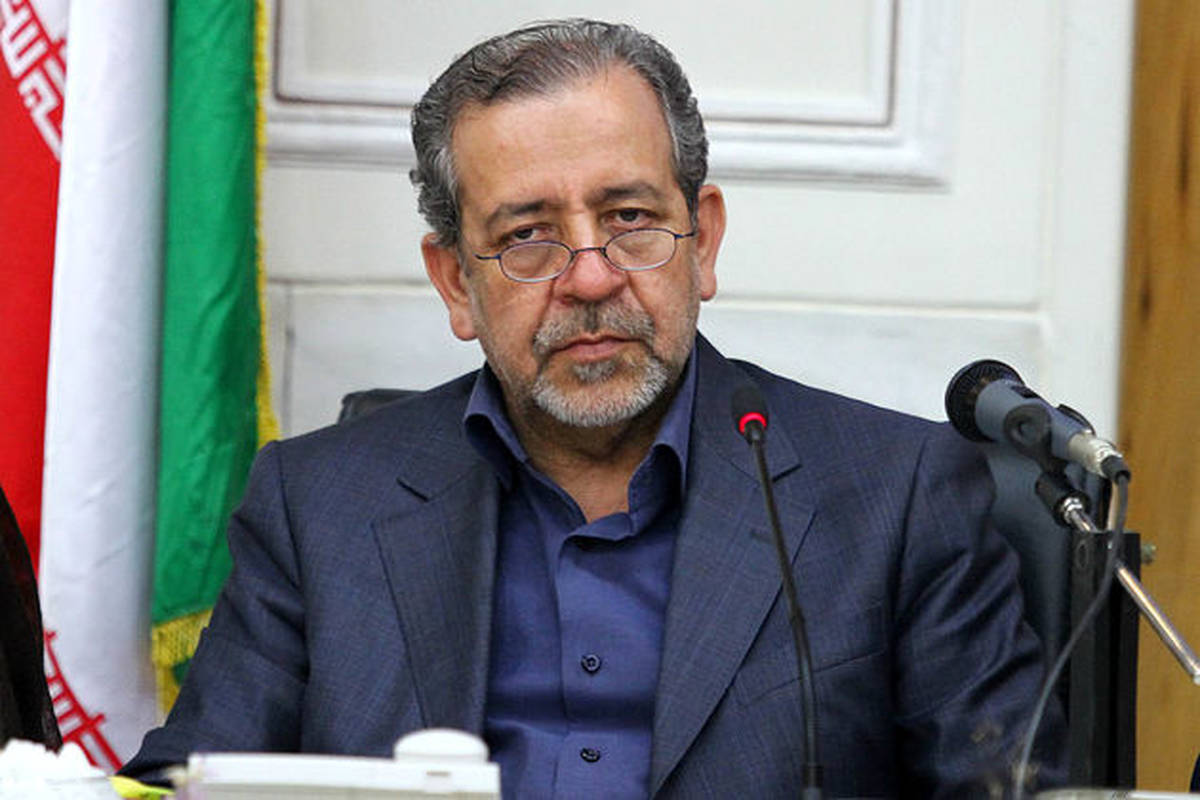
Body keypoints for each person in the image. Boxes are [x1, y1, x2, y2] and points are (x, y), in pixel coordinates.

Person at [124, 19, 1065, 797]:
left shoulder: (896, 497)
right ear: (454, 282)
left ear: (703, 242)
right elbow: (187, 782)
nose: (589, 277)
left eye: (630, 219)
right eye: (527, 236)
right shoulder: (318, 505)